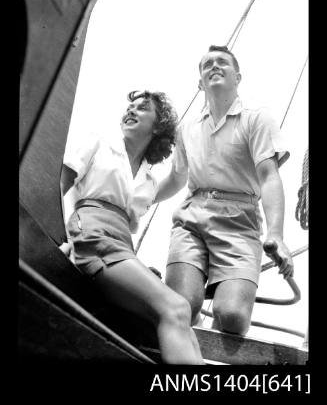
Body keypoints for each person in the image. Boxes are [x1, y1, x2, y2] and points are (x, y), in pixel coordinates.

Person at [155, 46, 294, 336]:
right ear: (200, 82)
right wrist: (140, 200)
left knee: (231, 317)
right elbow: (177, 178)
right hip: (192, 219)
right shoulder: (188, 128)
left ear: (238, 77)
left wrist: (277, 235)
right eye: (207, 64)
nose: (214, 66)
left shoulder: (256, 120)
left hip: (240, 222)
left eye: (222, 63)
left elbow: (269, 177)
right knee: (182, 307)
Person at [60, 90, 204, 364]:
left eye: (142, 108)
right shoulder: (100, 143)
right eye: (131, 107)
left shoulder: (148, 180)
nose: (131, 111)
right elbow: (59, 182)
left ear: (158, 125)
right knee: (175, 307)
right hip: (92, 233)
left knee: (182, 315)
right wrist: (62, 236)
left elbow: (177, 179)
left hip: (122, 247)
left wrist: (183, 135)